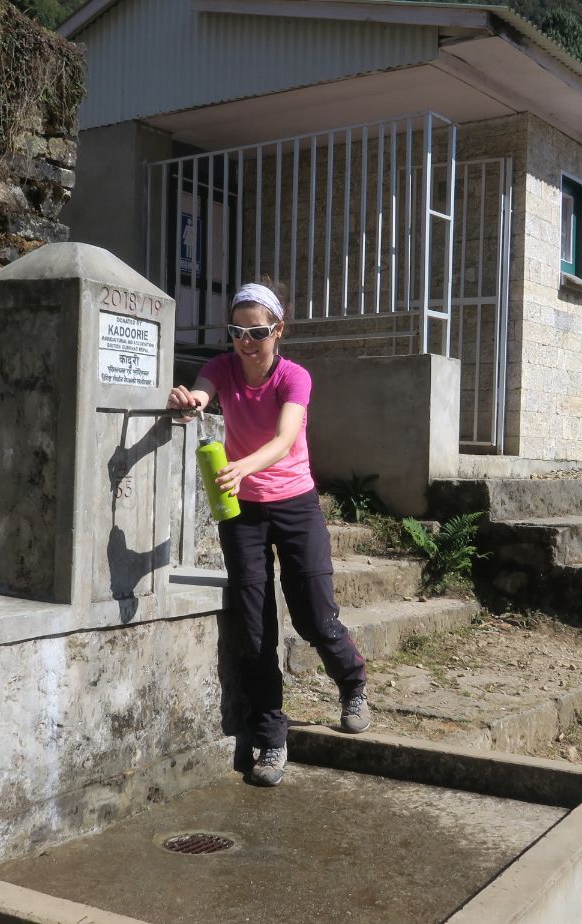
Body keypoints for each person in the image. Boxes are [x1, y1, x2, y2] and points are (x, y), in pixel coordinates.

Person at [167, 280, 371, 786]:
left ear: (278, 330)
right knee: (256, 628)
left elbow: (284, 439)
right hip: (244, 513)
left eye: (256, 332)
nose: (245, 341)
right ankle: (270, 738)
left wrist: (242, 466)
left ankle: (352, 683)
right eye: (236, 331)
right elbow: (203, 392)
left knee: (314, 615)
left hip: (296, 504)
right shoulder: (222, 368)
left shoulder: (294, 377)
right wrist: (189, 400)